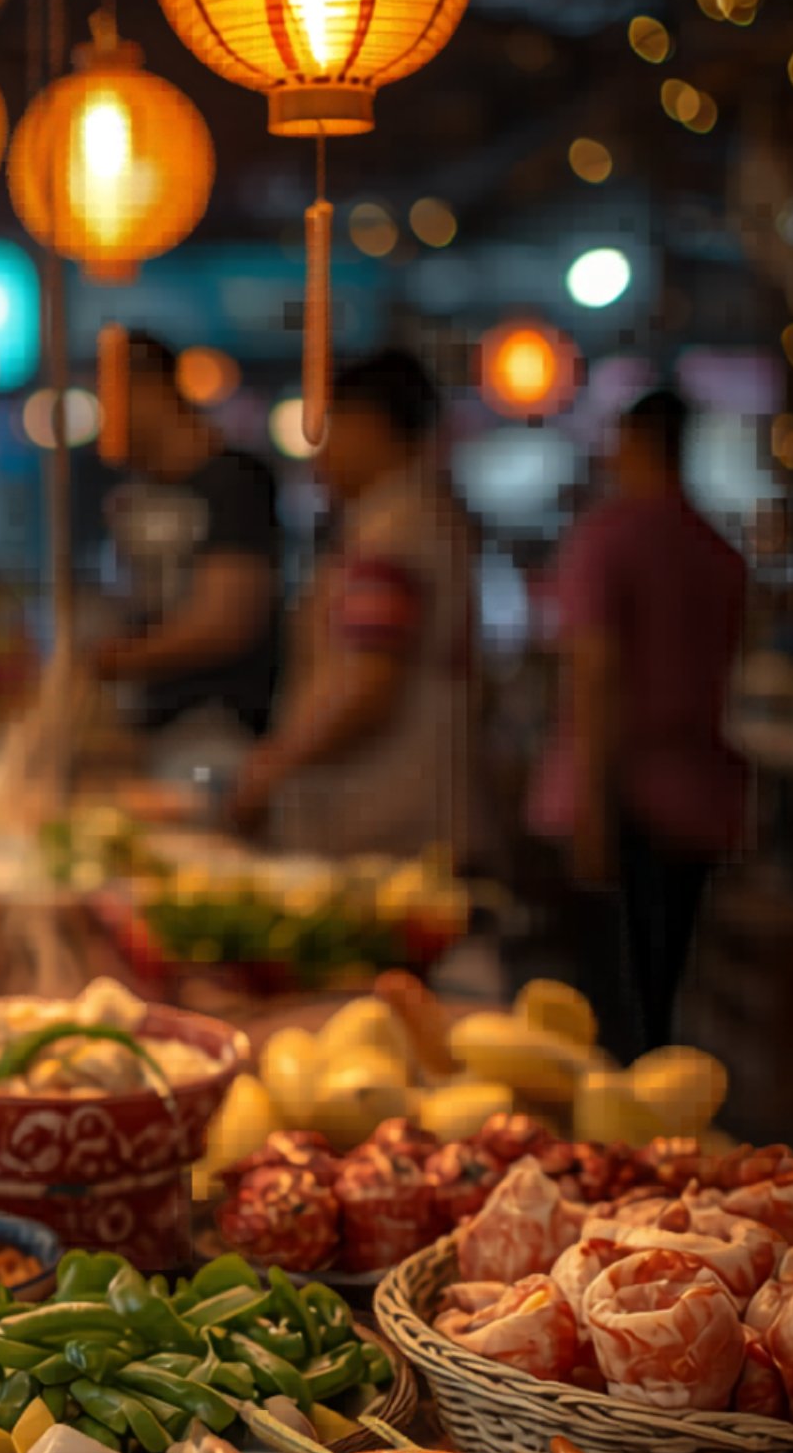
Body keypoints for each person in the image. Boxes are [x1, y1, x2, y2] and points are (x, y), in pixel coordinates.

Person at [528, 389, 748, 1054]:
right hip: (699, 795)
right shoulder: (715, 548)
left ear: (634, 442)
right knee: (664, 985)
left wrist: (591, 803)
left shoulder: (607, 537)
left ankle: (616, 1145)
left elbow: (594, 671)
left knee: (600, 1012)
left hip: (620, 791)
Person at [228, 348, 477, 859]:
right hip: (398, 812)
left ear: (371, 426)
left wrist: (271, 768)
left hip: (387, 822)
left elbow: (369, 681)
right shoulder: (412, 519)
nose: (320, 451)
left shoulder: (395, 532)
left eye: (331, 426)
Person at [92, 332, 281, 772]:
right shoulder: (137, 491)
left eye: (109, 398)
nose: (105, 419)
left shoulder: (234, 482)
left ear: (152, 390)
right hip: (152, 728)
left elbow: (226, 622)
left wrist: (107, 660)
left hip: (217, 732)